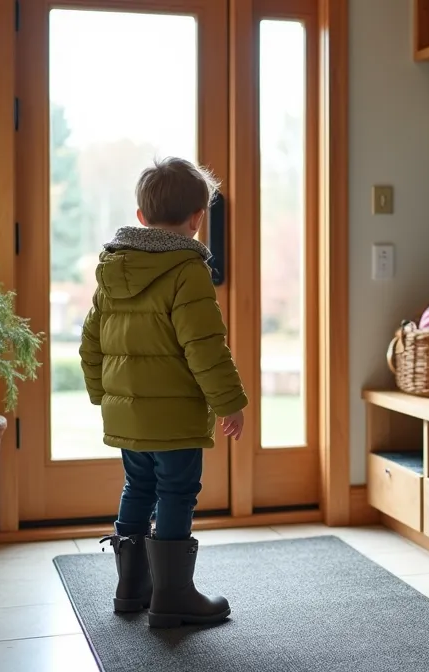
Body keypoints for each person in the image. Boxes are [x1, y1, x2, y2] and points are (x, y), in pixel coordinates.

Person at [79, 157, 247, 628]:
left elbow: (90, 342)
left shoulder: (112, 270)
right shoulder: (187, 270)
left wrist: (103, 395)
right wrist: (229, 403)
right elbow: (205, 347)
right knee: (176, 491)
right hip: (174, 420)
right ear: (197, 219)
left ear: (141, 216)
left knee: (138, 487)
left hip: (128, 417)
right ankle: (173, 596)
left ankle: (132, 588)